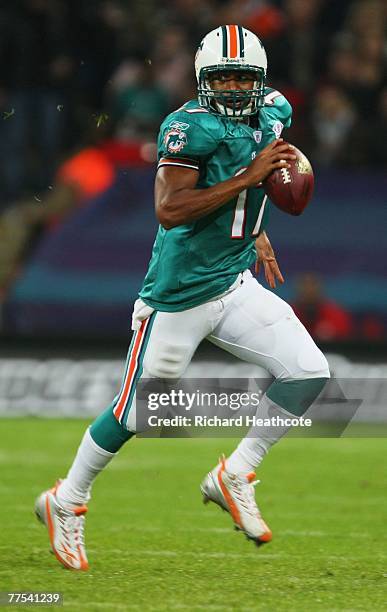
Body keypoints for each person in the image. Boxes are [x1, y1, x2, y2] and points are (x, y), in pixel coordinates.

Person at [35, 25, 330, 571]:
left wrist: (256, 229)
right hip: (178, 295)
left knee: (309, 371)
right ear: (202, 79)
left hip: (235, 280)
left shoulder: (276, 110)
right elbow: (170, 209)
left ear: (262, 80)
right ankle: (66, 500)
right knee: (136, 412)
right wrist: (248, 180)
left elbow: (255, 182)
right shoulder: (186, 127)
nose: (237, 88)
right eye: (224, 77)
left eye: (246, 78)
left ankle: (235, 473)